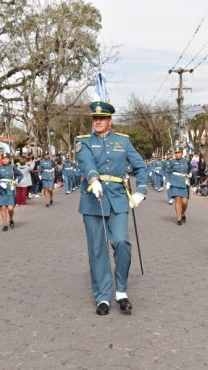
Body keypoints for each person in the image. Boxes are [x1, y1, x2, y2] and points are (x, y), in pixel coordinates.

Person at [76, 101, 147, 316]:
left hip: (117, 199)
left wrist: (141, 191)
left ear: (110, 121)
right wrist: (93, 179)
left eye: (102, 118)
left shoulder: (123, 142)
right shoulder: (83, 141)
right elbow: (86, 162)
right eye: (95, 118)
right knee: (98, 249)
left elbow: (141, 166)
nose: (97, 121)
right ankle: (102, 297)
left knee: (122, 242)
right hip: (93, 199)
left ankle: (122, 292)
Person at [0, 153, 23, 231]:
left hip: (10, 188)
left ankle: (11, 219)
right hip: (2, 189)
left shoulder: (12, 167)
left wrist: (16, 180)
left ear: (9, 159)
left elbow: (20, 175)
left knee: (10, 208)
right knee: (3, 207)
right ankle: (5, 224)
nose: (5, 160)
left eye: (6, 158)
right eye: (3, 158)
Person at [166, 146, 190, 225]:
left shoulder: (186, 161)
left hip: (184, 182)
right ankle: (179, 218)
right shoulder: (172, 162)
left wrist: (190, 173)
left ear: (182, 153)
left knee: (185, 202)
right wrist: (168, 181)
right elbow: (168, 172)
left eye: (179, 152)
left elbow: (191, 168)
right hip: (175, 182)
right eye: (176, 153)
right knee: (178, 199)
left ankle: (182, 213)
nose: (177, 154)